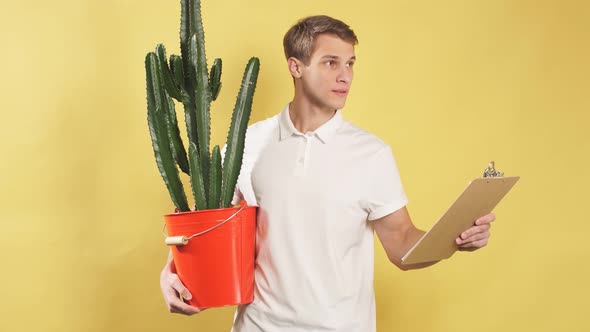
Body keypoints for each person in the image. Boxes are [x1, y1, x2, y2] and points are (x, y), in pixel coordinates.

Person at [160, 15, 495, 331]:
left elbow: (401, 243)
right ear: (296, 66)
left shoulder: (371, 153)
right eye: (330, 63)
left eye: (350, 64)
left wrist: (454, 237)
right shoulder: (246, 143)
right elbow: (213, 232)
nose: (345, 76)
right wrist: (171, 274)